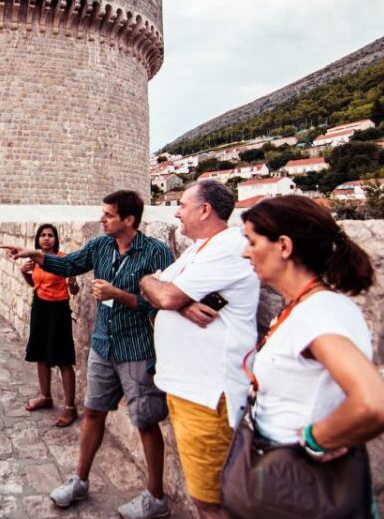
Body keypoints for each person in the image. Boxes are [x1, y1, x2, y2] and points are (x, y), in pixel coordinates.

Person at [3, 190, 174, 517]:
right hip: (103, 344)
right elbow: (69, 263)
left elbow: (166, 303)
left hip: (137, 348)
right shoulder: (101, 245)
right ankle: (79, 480)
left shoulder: (156, 252)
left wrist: (120, 295)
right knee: (93, 411)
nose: (101, 219)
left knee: (146, 421)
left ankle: (156, 498)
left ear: (129, 220)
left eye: (108, 215)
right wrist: (35, 255)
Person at [236, 196, 384, 508]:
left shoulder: (317, 313)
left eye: (251, 241)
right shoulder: (309, 306)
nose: (245, 252)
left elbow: (379, 404)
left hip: (301, 480)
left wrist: (315, 439)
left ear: (283, 246)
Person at [139, 180, 260, 518]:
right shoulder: (199, 249)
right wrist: (174, 300)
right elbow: (151, 282)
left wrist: (170, 298)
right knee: (206, 495)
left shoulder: (230, 247)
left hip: (208, 396)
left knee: (213, 502)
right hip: (187, 391)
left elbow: (163, 293)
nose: (176, 212)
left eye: (182, 204)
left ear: (205, 210)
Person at [17, 224, 80, 427]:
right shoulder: (35, 261)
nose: (46, 238)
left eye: (50, 235)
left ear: (56, 238)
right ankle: (45, 396)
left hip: (59, 311)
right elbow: (34, 284)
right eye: (43, 235)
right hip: (40, 308)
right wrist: (24, 273)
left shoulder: (62, 259)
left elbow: (74, 291)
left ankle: (70, 408)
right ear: (38, 240)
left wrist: (72, 283)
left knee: (63, 359)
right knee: (40, 354)